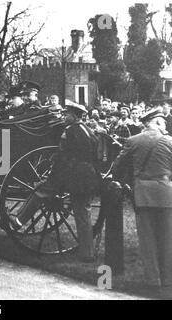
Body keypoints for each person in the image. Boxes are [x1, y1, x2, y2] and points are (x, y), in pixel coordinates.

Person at [9, 102, 99, 261]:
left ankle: (18, 221)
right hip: (88, 175)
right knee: (83, 213)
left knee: (40, 190)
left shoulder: (69, 132)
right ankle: (87, 253)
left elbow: (63, 157)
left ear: (74, 116)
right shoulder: (89, 131)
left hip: (71, 174)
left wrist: (51, 177)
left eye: (67, 115)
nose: (64, 117)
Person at [112, 108, 172, 299]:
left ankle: (152, 281)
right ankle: (168, 279)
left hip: (143, 193)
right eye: (163, 123)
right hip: (166, 192)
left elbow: (117, 165)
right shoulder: (170, 141)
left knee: (147, 240)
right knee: (167, 237)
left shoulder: (133, 140)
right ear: (155, 122)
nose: (165, 126)